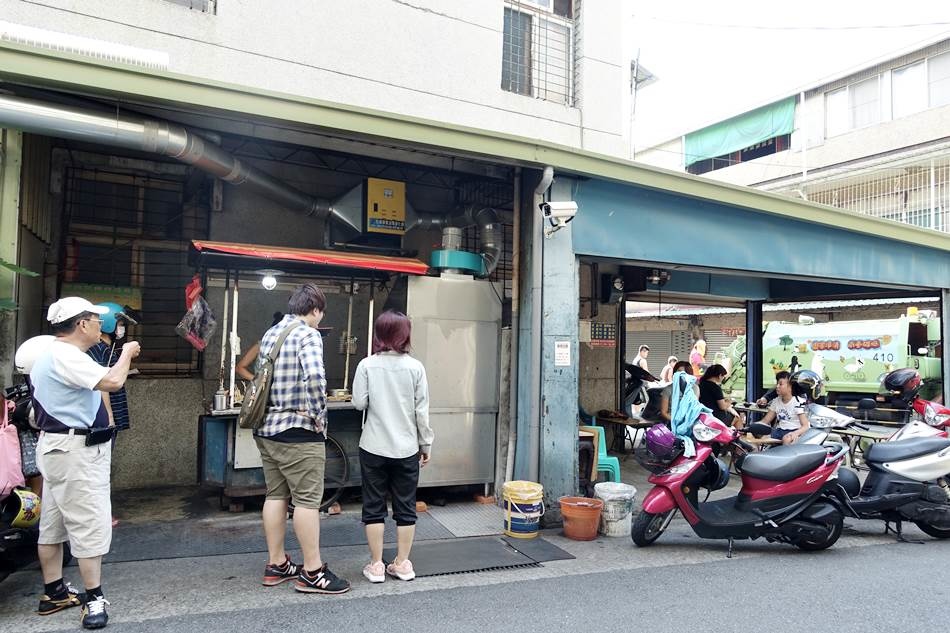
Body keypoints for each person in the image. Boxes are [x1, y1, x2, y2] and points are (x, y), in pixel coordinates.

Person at [28, 297, 140, 628]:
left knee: (54, 522)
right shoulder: (66, 355)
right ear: (81, 324)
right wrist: (126, 353)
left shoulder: (52, 353)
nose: (99, 325)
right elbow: (112, 382)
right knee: (89, 523)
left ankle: (54, 591)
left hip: (58, 446)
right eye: (94, 319)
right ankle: (93, 598)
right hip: (75, 450)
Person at [253, 284, 349, 595]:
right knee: (307, 500)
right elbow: (316, 379)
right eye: (321, 313)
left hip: (267, 429)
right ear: (316, 310)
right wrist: (320, 418)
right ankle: (312, 571)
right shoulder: (308, 333)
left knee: (275, 495)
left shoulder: (272, 333)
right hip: (298, 429)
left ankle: (276, 563)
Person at [352, 310, 433, 584]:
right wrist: (426, 444)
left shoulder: (366, 365)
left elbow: (358, 403)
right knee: (405, 507)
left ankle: (376, 565)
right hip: (407, 448)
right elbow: (421, 412)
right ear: (405, 335)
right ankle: (402, 564)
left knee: (373, 506)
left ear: (379, 335)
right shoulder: (416, 367)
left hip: (373, 445)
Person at [758, 371, 810, 445]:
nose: (777, 386)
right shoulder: (776, 401)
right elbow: (765, 421)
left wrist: (795, 433)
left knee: (786, 439)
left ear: (790, 386)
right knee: (760, 438)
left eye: (781, 384)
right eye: (777, 384)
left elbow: (805, 426)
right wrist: (751, 428)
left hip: (794, 431)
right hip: (779, 431)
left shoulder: (798, 402)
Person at [235, 312, 285, 381]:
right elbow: (239, 368)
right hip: (263, 389)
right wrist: (257, 381)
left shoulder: (290, 347)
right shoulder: (261, 345)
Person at [698, 364, 745, 428]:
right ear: (720, 375)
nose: (723, 379)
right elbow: (722, 406)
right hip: (715, 416)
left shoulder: (701, 384)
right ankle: (738, 436)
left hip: (703, 414)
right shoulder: (715, 387)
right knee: (737, 418)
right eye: (723, 377)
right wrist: (729, 402)